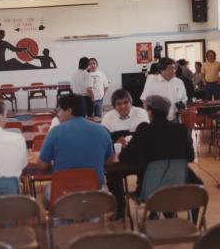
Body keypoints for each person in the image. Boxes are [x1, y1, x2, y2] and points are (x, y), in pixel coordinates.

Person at [119, 95, 203, 220]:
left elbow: (124, 158)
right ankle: (193, 225)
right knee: (197, 187)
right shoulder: (181, 129)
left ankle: (158, 212)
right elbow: (190, 157)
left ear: (150, 112)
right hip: (179, 187)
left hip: (150, 189)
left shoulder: (144, 130)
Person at [38, 94, 114, 204]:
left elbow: (42, 165)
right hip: (95, 195)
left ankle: (60, 220)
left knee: (47, 198)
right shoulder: (102, 130)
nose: (58, 114)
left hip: (63, 196)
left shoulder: (55, 132)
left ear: (69, 110)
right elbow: (109, 161)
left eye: (60, 110)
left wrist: (56, 167)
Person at [101, 89, 149, 219]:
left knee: (148, 171)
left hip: (139, 158)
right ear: (114, 106)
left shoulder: (141, 113)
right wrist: (115, 140)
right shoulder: (108, 117)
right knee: (111, 173)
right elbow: (103, 138)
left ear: (131, 103)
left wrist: (128, 140)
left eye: (125, 103)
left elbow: (145, 137)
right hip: (118, 160)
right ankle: (120, 208)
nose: (122, 106)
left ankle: (148, 203)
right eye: (118, 104)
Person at [140, 57, 187, 121]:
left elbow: (184, 100)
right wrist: (148, 118)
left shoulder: (179, 82)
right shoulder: (152, 80)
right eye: (170, 68)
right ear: (162, 70)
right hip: (158, 121)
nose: (174, 71)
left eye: (174, 68)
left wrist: (182, 108)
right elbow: (145, 100)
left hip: (175, 120)